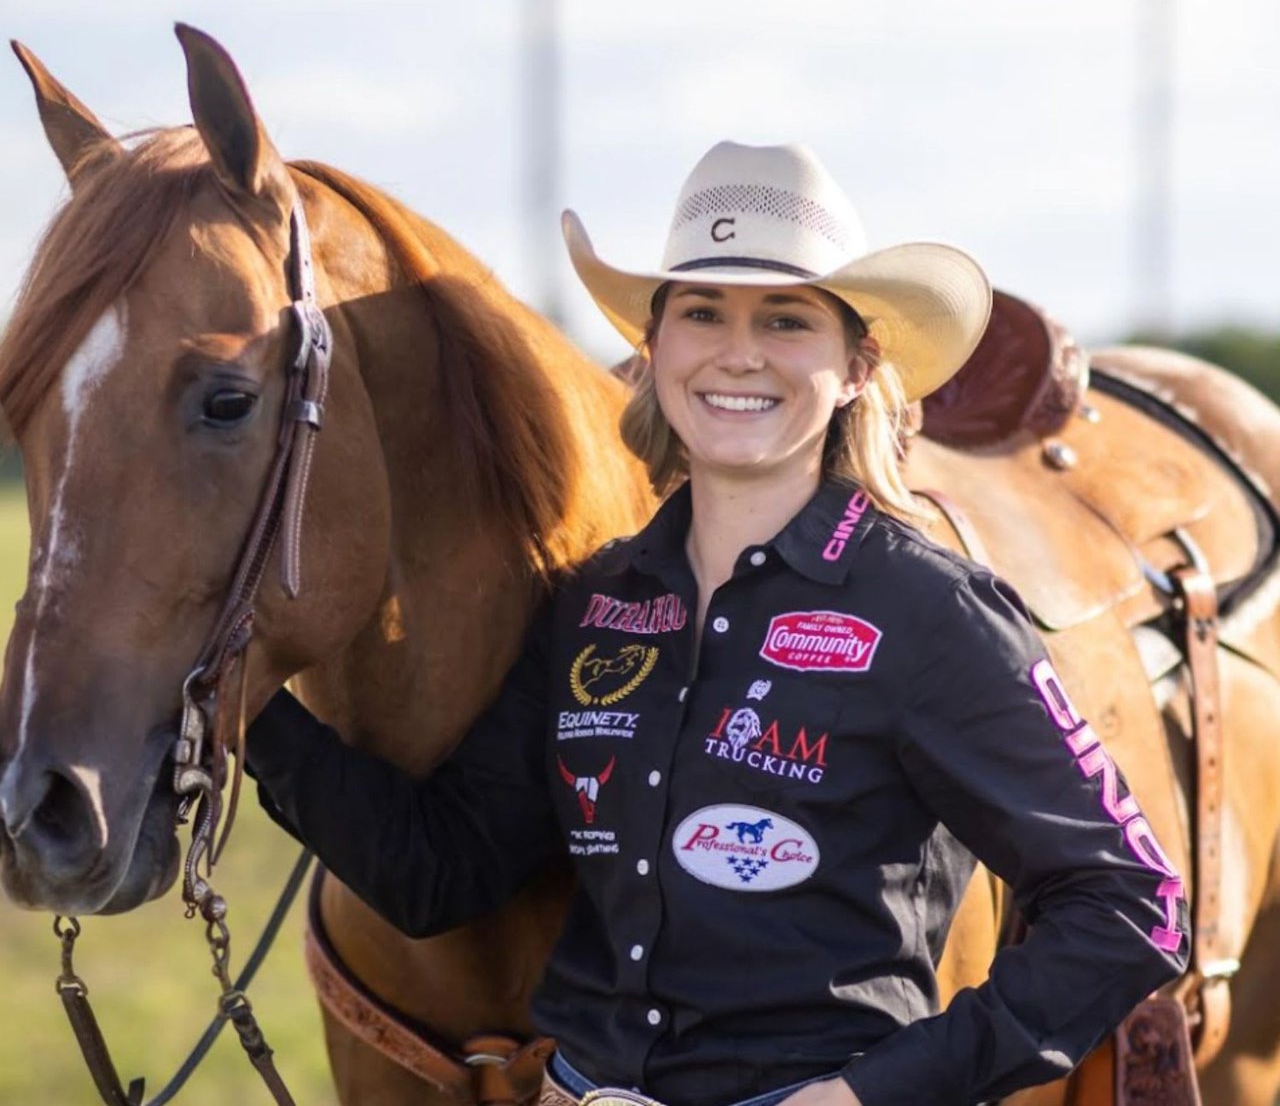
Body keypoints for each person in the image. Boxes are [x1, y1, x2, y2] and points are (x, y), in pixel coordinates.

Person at [245, 142, 1189, 1106]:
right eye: (702, 313)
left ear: (859, 365)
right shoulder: (594, 606)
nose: (739, 353)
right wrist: (245, 703)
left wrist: (879, 1094)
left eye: (786, 320)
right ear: (655, 350)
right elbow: (439, 873)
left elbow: (1131, 908)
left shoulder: (930, 612)